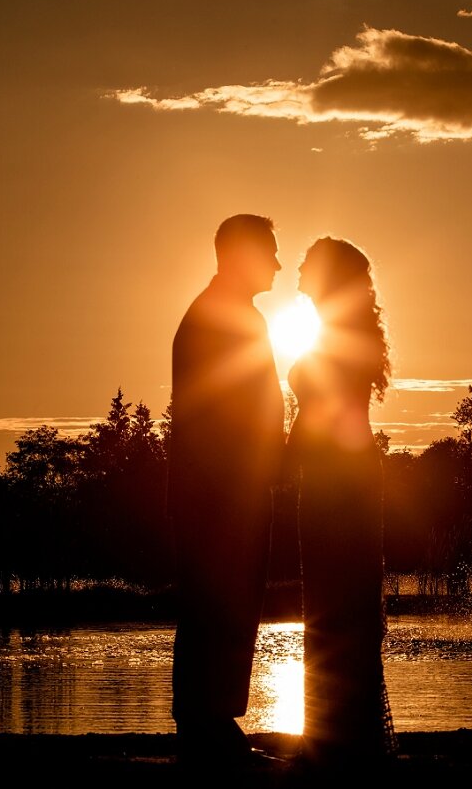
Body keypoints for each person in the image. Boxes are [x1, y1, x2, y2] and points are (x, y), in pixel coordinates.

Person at [167, 214, 286, 763]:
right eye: (271, 253)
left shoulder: (231, 315)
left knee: (232, 605)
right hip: (221, 493)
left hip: (231, 489)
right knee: (217, 604)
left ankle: (210, 721)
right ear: (241, 255)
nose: (279, 265)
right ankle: (204, 725)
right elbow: (224, 411)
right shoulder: (219, 318)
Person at [286, 236, 398, 765]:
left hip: (339, 480)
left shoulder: (340, 335)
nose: (299, 269)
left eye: (308, 263)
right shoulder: (339, 331)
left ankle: (338, 741)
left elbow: (323, 413)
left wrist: (285, 461)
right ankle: (334, 735)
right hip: (337, 475)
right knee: (330, 603)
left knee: (337, 604)